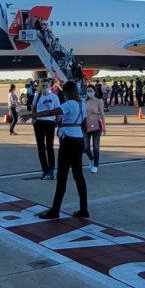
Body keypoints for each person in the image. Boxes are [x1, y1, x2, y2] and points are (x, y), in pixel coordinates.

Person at [40, 81, 89, 219]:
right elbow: (85, 127)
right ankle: (84, 209)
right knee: (78, 176)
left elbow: (51, 112)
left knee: (62, 177)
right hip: (79, 140)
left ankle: (55, 210)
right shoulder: (82, 105)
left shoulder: (69, 104)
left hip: (68, 141)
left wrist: (32, 116)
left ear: (66, 93)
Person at [27, 82, 61, 180]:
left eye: (46, 86)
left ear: (49, 87)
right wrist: (33, 119)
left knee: (49, 147)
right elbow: (34, 108)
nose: (45, 87)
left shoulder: (54, 97)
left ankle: (51, 170)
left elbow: (58, 111)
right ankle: (44, 170)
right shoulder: (37, 96)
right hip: (39, 123)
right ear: (40, 87)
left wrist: (57, 123)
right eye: (43, 86)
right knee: (40, 148)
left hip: (50, 123)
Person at [83, 85, 106, 173]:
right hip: (86, 127)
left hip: (96, 126)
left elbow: (102, 115)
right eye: (88, 91)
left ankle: (95, 165)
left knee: (96, 147)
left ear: (94, 91)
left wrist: (104, 128)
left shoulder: (98, 101)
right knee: (85, 147)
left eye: (91, 90)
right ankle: (91, 159)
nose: (89, 92)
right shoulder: (84, 101)